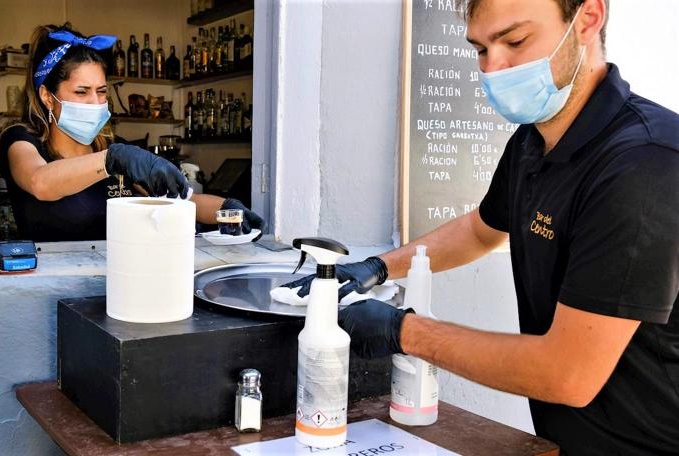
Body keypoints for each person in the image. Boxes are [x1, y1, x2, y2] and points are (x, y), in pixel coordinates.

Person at [283, 0, 678, 453]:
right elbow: (480, 230)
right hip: (558, 442)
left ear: (587, 18)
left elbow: (567, 374)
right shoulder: (533, 140)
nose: (494, 68)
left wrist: (403, 332)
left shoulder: (644, 165)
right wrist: (376, 267)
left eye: (515, 41)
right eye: (479, 49)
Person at [0, 24, 263, 242]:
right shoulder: (21, 140)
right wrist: (111, 159)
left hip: (122, 280)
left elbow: (184, 201)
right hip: (50, 288)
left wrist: (227, 210)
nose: (95, 102)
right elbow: (40, 183)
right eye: (81, 91)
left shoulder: (114, 149)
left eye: (101, 91)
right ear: (47, 96)